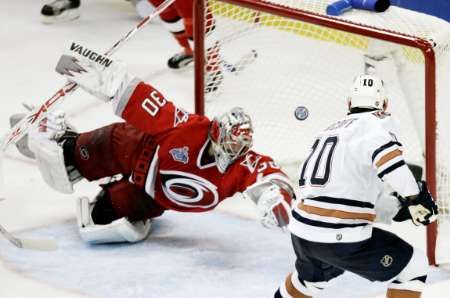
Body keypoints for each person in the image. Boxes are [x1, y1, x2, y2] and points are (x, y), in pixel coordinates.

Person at [19, 42, 294, 244]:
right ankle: (63, 141)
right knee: (66, 162)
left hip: (150, 195)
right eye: (232, 143)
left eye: (240, 146)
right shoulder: (189, 127)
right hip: (128, 149)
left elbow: (271, 177)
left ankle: (108, 193)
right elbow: (141, 98)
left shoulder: (243, 164)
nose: (235, 151)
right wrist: (100, 75)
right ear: (218, 133)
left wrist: (275, 200)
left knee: (101, 217)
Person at [275, 75, 438, 298]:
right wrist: (415, 197)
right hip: (339, 236)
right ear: (385, 105)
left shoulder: (327, 131)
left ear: (349, 103)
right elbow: (395, 169)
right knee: (415, 266)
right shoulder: (377, 124)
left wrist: (398, 206)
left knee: (308, 281)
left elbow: (351, 189)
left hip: (302, 233)